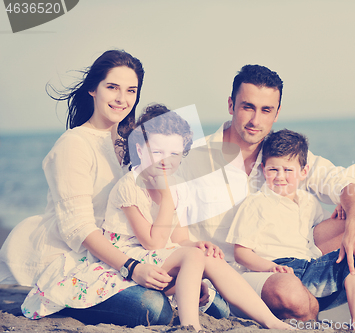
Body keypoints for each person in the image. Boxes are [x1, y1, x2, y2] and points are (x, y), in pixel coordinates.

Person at [21, 104, 290, 331]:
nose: (165, 161)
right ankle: (190, 326)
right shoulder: (130, 185)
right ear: (140, 150)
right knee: (192, 260)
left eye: (174, 154)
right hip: (127, 255)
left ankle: (270, 321)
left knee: (207, 256)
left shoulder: (177, 185)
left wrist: (196, 245)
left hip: (159, 253)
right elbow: (152, 241)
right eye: (157, 152)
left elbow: (178, 238)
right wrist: (167, 200)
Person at [182, 64, 355, 321]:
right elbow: (165, 223)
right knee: (293, 296)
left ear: (276, 114)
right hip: (232, 273)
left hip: (291, 259)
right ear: (231, 105)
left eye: (266, 110)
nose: (256, 120)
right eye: (248, 107)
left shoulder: (281, 155)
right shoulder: (195, 158)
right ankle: (307, 309)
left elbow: (348, 182)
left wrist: (354, 223)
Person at [0, 50, 174, 327]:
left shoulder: (134, 145)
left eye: (131, 90)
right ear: (93, 89)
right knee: (153, 309)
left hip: (126, 251)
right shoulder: (74, 144)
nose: (122, 99)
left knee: (214, 303)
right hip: (76, 258)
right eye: (112, 87)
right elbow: (79, 228)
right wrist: (132, 267)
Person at [227, 129, 355, 333]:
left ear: (303, 172)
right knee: (296, 286)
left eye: (288, 170)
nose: (280, 177)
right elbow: (241, 252)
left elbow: (326, 223)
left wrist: (342, 206)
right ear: (262, 168)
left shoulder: (307, 202)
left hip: (309, 266)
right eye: (273, 170)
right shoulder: (256, 203)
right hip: (278, 267)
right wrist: (269, 267)